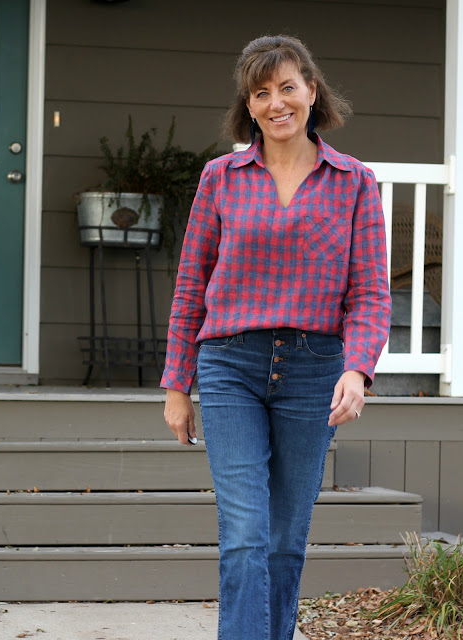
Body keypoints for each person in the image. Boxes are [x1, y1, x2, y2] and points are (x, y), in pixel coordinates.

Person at [161, 34, 391, 640]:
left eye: (287, 87)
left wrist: (357, 368)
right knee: (244, 534)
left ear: (312, 91)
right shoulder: (221, 178)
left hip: (316, 368)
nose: (276, 103)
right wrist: (176, 384)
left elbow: (369, 293)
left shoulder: (355, 183)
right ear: (249, 104)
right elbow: (191, 286)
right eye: (260, 92)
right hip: (230, 364)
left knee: (286, 539)